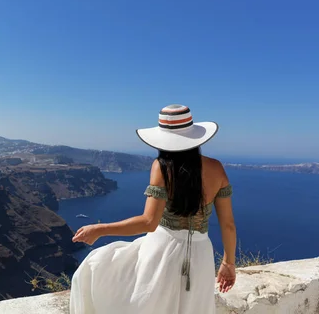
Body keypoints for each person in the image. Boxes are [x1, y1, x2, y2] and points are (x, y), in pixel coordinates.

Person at [70, 104, 236, 314]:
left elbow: (149, 222)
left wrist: (100, 229)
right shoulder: (217, 168)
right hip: (201, 253)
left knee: (95, 269)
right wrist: (228, 263)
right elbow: (228, 225)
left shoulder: (163, 167)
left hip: (162, 251)